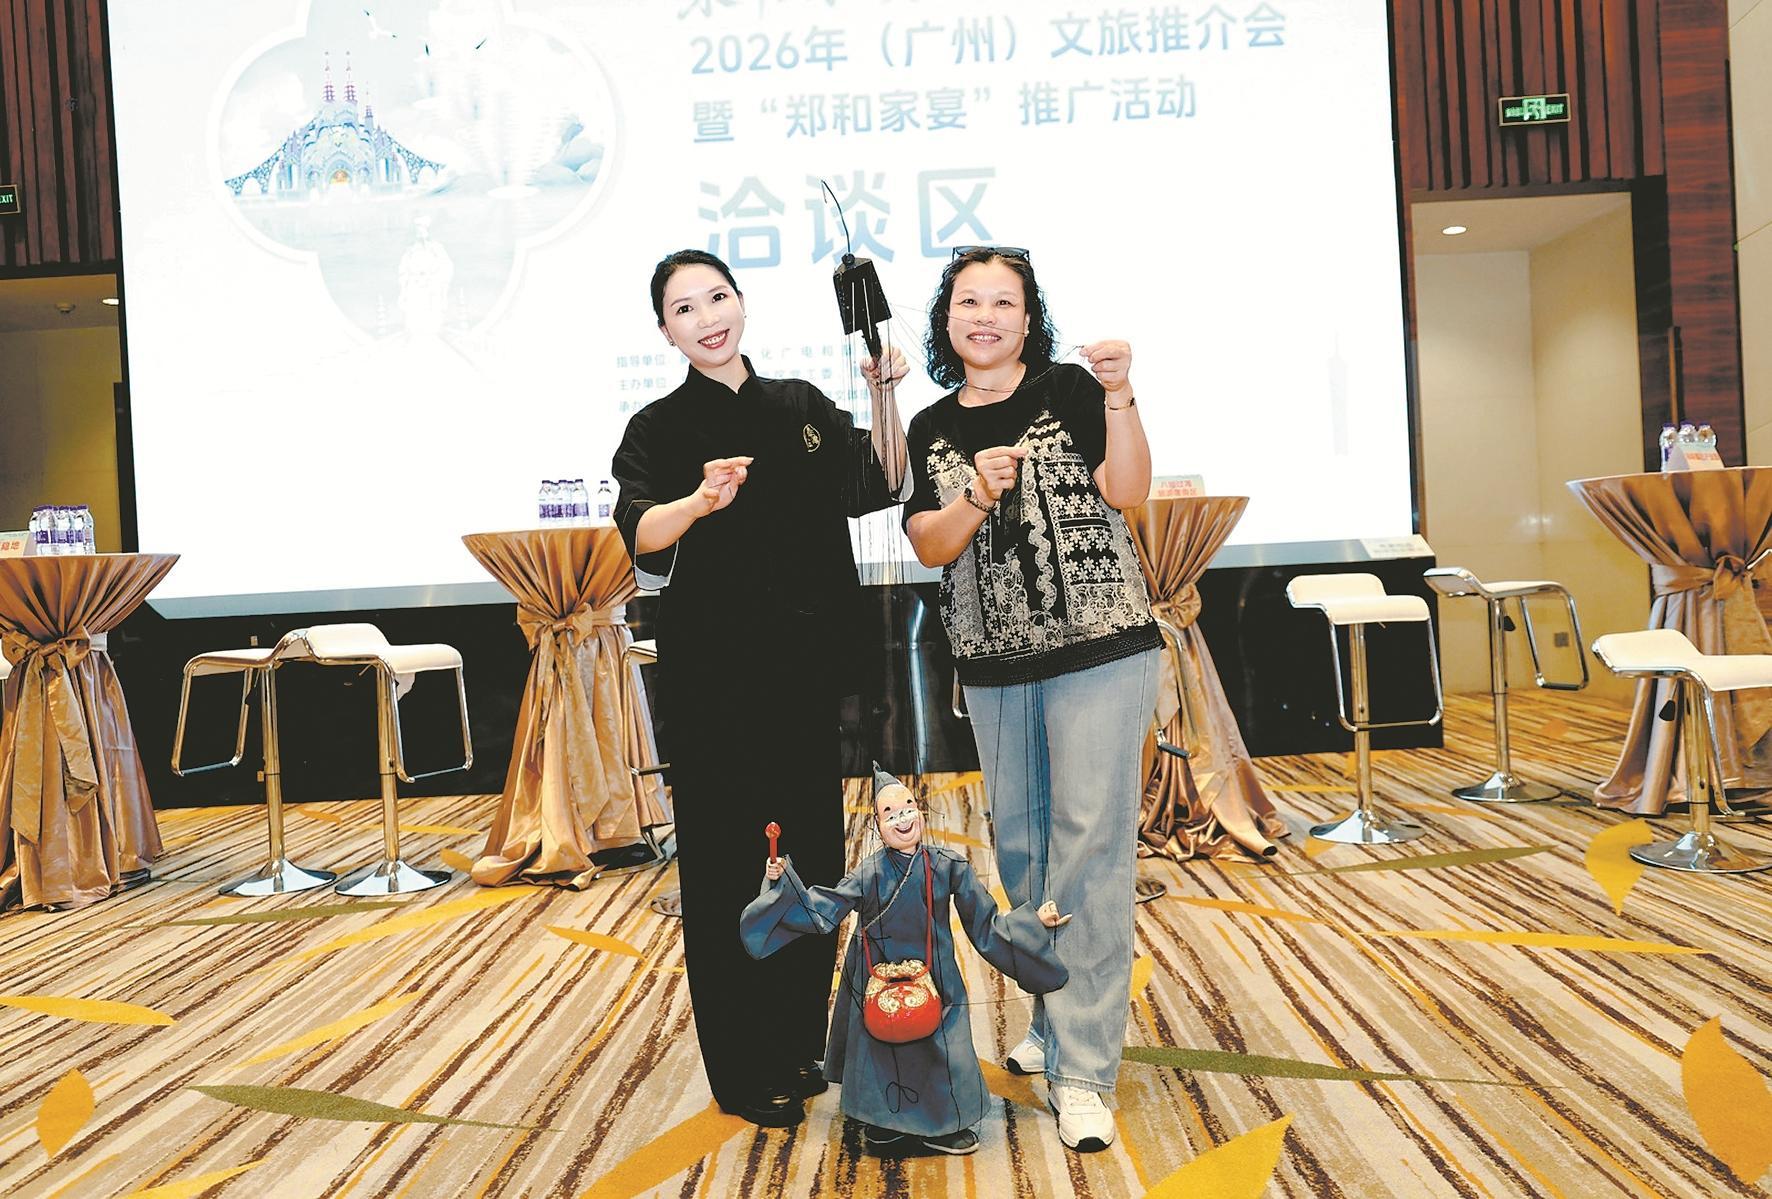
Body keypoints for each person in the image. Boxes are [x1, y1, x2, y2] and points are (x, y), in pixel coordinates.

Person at [611, 249, 908, 1127]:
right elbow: (640, 531)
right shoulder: (657, 427)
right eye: (684, 308)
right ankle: (743, 1068)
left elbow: (883, 480)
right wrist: (699, 503)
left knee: (809, 860)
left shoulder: (800, 405)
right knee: (726, 869)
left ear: (741, 303)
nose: (707, 318)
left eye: (718, 297)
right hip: (714, 684)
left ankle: (796, 1042)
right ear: (664, 330)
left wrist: (884, 396)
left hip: (805, 677)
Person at [901, 247, 1161, 1153]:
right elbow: (931, 544)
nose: (985, 316)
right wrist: (978, 491)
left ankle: (1083, 1071)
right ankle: (1054, 1021)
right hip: (995, 665)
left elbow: (1127, 491)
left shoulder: (1072, 390)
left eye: (1003, 302)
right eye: (968, 301)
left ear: (1027, 317)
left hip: (1100, 648)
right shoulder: (931, 425)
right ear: (947, 320)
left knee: (1088, 853)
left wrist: (1122, 394)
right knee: (1024, 855)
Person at [741, 766, 1069, 1156]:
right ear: (878, 827)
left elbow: (985, 922)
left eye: (908, 807)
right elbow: (821, 910)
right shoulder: (868, 872)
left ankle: (941, 1124)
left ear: (921, 811)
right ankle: (884, 1125)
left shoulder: (948, 865)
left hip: (935, 971)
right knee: (882, 1046)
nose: (902, 818)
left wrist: (1032, 923)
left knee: (942, 1046)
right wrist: (781, 884)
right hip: (876, 974)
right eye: (890, 813)